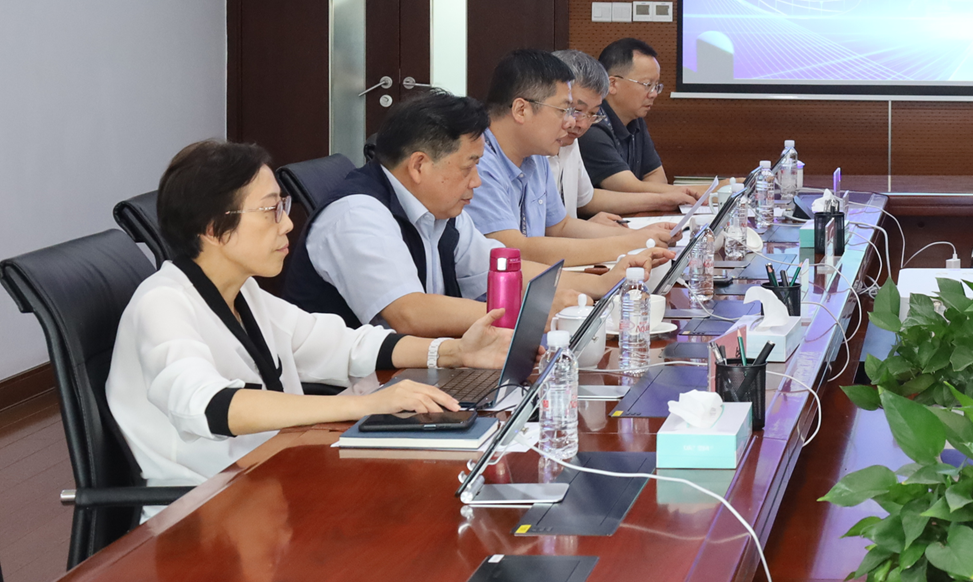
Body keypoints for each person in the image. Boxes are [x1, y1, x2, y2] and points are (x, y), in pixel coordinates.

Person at [107, 140, 511, 503]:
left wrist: (454, 352)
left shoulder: (245, 293)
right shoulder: (163, 304)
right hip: (204, 511)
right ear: (214, 229)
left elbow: (345, 345)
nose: (286, 223)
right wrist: (364, 405)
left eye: (282, 207)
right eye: (270, 210)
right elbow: (211, 406)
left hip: (270, 482)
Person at [292, 91, 627, 336]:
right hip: (352, 395)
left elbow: (501, 269)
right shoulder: (357, 215)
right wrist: (528, 314)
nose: (476, 181)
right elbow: (409, 312)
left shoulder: (439, 207)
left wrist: (599, 284)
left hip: (423, 368)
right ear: (419, 165)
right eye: (469, 166)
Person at [468, 48, 680, 265]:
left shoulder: (535, 153)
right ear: (521, 110)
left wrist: (640, 235)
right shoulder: (477, 164)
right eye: (563, 110)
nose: (571, 122)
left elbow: (561, 226)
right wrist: (632, 243)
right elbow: (515, 250)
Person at [553, 48, 686, 221]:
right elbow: (627, 187)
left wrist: (663, 201)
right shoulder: (565, 139)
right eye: (576, 110)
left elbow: (586, 198)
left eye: (593, 113)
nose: (582, 124)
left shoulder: (570, 140)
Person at [580, 37, 698, 208]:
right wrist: (703, 191)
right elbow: (626, 187)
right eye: (647, 84)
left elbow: (656, 176)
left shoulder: (635, 120)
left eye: (656, 86)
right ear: (612, 84)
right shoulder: (591, 125)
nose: (653, 94)